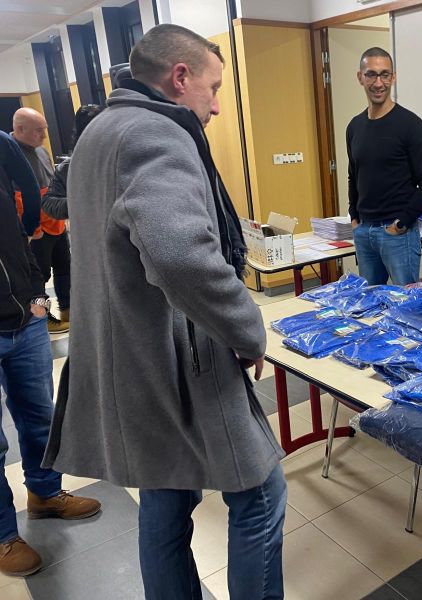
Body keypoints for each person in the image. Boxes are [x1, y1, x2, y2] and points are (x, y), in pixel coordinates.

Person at [41, 24, 286, 600]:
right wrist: (247, 330)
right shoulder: (155, 133)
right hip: (175, 356)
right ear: (180, 77)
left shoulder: (100, 130)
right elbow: (182, 259)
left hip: (126, 357)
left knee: (165, 499)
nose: (217, 106)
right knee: (260, 494)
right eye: (213, 88)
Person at [1, 130, 101, 578]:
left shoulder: (3, 147)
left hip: (25, 315)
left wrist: (37, 301)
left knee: (41, 415)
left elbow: (28, 220)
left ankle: (44, 494)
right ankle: (3, 535)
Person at [347, 46, 422, 285]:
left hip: (397, 234)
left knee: (404, 302)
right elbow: (354, 176)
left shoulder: (411, 125)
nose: (378, 83)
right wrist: (354, 218)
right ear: (360, 77)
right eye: (371, 74)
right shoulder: (354, 127)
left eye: (384, 74)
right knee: (369, 301)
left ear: (393, 77)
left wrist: (401, 224)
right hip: (364, 232)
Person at [11, 108, 69, 334]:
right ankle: (42, 317)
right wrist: (31, 226)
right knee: (39, 277)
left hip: (55, 223)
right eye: (38, 131)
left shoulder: (42, 150)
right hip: (34, 229)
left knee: (64, 269)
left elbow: (52, 186)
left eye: (44, 130)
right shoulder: (8, 153)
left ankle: (67, 309)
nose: (44, 136)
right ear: (20, 129)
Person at [41, 104, 105, 220]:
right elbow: (48, 202)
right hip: (88, 228)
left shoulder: (119, 158)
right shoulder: (69, 167)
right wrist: (81, 203)